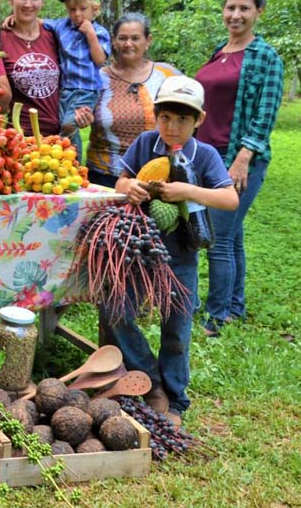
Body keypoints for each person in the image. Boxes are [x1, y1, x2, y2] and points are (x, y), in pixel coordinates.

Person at [112, 75, 238, 426]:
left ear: (199, 120)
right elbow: (120, 180)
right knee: (115, 310)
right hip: (138, 247)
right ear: (156, 116)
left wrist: (188, 191)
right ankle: (148, 379)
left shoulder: (205, 154)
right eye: (166, 117)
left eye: (183, 119)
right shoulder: (144, 143)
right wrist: (131, 186)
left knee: (177, 327)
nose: (173, 126)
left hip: (181, 252)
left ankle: (176, 398)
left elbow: (229, 198)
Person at [194, 0, 284, 337]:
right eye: (231, 7)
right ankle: (233, 306)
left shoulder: (264, 56)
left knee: (218, 238)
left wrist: (243, 158)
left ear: (258, 12)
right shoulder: (221, 51)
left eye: (244, 8)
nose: (235, 15)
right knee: (232, 236)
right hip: (210, 155)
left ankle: (215, 318)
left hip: (236, 158)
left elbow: (265, 114)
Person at [81, 13, 182, 187]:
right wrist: (81, 117)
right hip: (105, 176)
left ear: (148, 40)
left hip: (156, 176)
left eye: (135, 38)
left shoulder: (167, 74)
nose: (128, 44)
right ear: (114, 41)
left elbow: (187, 117)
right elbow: (78, 111)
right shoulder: (98, 78)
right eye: (123, 38)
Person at [0, 0, 61, 136]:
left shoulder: (56, 36)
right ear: (11, 0)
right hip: (19, 137)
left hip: (61, 136)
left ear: (42, 1)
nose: (28, 4)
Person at [44, 0, 111, 152]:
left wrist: (90, 34)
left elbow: (100, 60)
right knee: (64, 126)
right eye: (72, 9)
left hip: (86, 90)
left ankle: (67, 159)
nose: (77, 14)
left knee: (68, 125)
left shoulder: (100, 32)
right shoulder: (62, 26)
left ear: (94, 9)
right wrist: (14, 18)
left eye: (83, 8)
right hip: (66, 89)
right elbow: (39, 23)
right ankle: (70, 161)